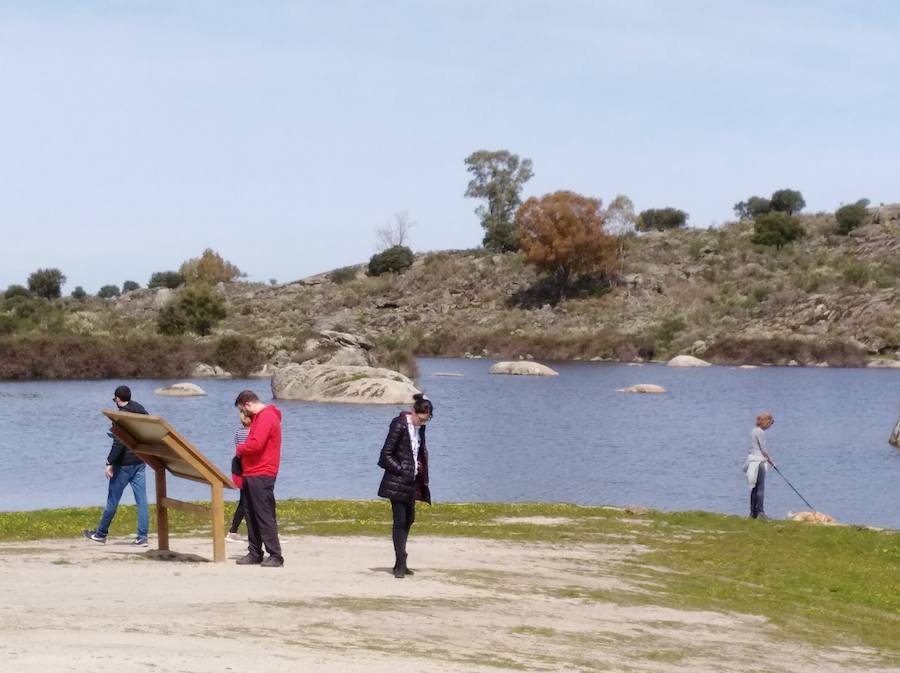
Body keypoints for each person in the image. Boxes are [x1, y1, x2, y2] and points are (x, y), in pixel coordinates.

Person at [83, 385, 150, 545]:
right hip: (140, 461)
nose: (115, 402)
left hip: (124, 464)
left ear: (118, 399)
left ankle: (101, 534)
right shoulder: (139, 409)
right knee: (142, 501)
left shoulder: (121, 416)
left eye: (115, 399)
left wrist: (109, 462)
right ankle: (143, 537)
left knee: (112, 500)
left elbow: (119, 443)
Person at [377, 393, 433, 578]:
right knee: (399, 521)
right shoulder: (399, 425)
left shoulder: (420, 430)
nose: (422, 424)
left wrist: (418, 469)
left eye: (426, 421)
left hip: (413, 482)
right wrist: (402, 469)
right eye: (421, 419)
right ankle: (400, 562)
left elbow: (418, 452)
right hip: (397, 481)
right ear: (413, 413)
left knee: (410, 519)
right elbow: (385, 456)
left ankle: (400, 560)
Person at [233, 390, 283, 567]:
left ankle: (275, 555)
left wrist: (240, 449)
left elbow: (255, 444)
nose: (243, 414)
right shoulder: (259, 418)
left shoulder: (266, 417)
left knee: (263, 514)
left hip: (262, 472)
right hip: (251, 472)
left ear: (247, 404)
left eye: (243, 410)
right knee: (250, 514)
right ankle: (254, 552)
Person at [744, 412, 776, 520]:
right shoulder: (760, 432)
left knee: (753, 487)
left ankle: (752, 513)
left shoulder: (753, 431)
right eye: (769, 424)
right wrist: (770, 460)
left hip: (751, 461)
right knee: (760, 488)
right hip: (759, 462)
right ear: (765, 422)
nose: (769, 427)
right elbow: (763, 449)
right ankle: (760, 513)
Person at [226, 411, 252, 542]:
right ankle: (233, 531)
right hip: (249, 470)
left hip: (240, 469)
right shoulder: (252, 432)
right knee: (248, 501)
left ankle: (233, 531)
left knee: (244, 501)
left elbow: (239, 449)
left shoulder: (238, 433)